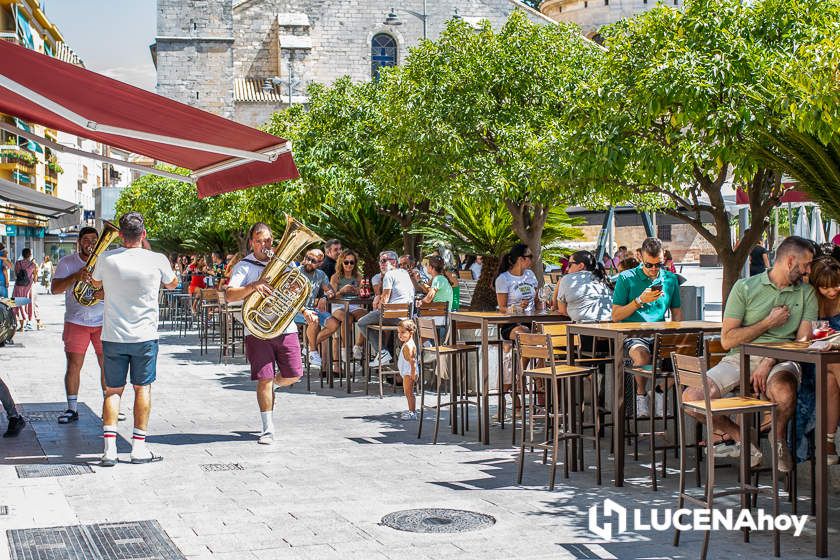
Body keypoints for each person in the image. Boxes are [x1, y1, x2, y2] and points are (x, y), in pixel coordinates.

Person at [682, 236, 817, 473]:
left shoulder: (807, 293)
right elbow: (727, 340)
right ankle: (742, 436)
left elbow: (802, 341)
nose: (808, 270)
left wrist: (769, 359)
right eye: (805, 264)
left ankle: (778, 440)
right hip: (739, 358)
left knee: (784, 392)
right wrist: (767, 323)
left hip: (782, 358)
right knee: (692, 398)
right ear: (790, 261)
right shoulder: (745, 287)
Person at [90, 212, 178, 466]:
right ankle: (138, 448)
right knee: (143, 388)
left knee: (112, 392)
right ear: (144, 235)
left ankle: (109, 450)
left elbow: (95, 283)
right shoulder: (157, 259)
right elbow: (172, 284)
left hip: (114, 336)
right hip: (145, 337)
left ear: (119, 235)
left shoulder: (106, 259)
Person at [225, 223, 303, 445]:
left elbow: (296, 290)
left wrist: (301, 302)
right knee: (264, 379)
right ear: (251, 242)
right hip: (258, 330)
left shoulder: (284, 264)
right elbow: (230, 295)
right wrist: (254, 286)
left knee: (294, 374)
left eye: (267, 241)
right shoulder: (244, 266)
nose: (264, 245)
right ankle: (267, 428)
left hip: (285, 326)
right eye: (259, 241)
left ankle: (275, 386)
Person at [612, 237, 683, 418]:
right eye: (649, 265)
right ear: (640, 257)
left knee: (690, 357)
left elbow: (677, 313)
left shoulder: (670, 279)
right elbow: (615, 316)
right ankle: (641, 395)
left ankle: (659, 390)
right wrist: (639, 301)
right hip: (633, 333)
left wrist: (679, 335)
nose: (653, 269)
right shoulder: (626, 278)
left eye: (658, 265)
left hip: (661, 332)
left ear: (663, 258)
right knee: (642, 356)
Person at [51, 226, 108, 425]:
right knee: (74, 366)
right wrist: (75, 277)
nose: (90, 243)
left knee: (106, 366)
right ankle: (72, 408)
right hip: (76, 321)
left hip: (102, 321)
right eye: (86, 239)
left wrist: (104, 293)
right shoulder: (68, 262)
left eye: (94, 239)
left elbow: (117, 289)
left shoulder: (105, 262)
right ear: (79, 242)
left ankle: (109, 408)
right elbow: (55, 289)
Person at [495, 243, 540, 403]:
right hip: (511, 324)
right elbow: (501, 308)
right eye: (530, 257)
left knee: (538, 337)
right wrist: (514, 308)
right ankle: (522, 379)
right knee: (528, 336)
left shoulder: (530, 276)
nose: (532, 260)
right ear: (521, 259)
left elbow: (536, 300)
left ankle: (519, 378)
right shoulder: (504, 279)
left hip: (532, 320)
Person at [354, 250, 415, 367]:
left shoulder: (389, 274)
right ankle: (383, 353)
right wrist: (379, 297)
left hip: (392, 316)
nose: (381, 264)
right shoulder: (404, 273)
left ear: (394, 262)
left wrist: (378, 304)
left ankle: (382, 352)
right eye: (381, 261)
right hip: (407, 317)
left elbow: (386, 298)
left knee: (362, 323)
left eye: (384, 261)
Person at [807, 256, 840, 464]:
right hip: (815, 363)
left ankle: (828, 443)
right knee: (832, 367)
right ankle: (827, 443)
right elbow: (805, 335)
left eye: (836, 285)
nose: (831, 291)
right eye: (825, 288)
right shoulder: (812, 300)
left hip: (831, 367)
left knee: (830, 377)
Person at [294, 248, 339, 369]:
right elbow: (291, 298)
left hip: (311, 308)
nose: (308, 262)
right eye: (308, 258)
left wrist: (324, 296)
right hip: (296, 309)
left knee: (334, 324)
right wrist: (305, 310)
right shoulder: (296, 272)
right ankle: (313, 351)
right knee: (314, 320)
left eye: (313, 260)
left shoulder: (321, 275)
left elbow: (330, 291)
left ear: (320, 263)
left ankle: (309, 347)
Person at [553, 250, 613, 323]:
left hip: (584, 328)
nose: (567, 269)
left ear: (581, 266)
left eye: (569, 265)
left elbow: (562, 311)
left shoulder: (568, 279)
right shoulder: (603, 278)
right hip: (609, 325)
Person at [329, 249, 366, 359]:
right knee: (347, 318)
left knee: (367, 316)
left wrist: (360, 291)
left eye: (352, 262)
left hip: (354, 305)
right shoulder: (335, 277)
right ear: (341, 262)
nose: (349, 265)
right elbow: (331, 296)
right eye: (346, 262)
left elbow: (363, 294)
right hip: (338, 305)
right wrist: (342, 291)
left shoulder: (359, 277)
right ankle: (345, 349)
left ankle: (358, 346)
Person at [396, 319, 419, 420]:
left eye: (403, 332)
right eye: (398, 332)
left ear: (411, 333)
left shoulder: (408, 346)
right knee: (408, 393)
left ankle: (412, 412)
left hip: (408, 373)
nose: (400, 335)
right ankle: (411, 410)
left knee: (408, 393)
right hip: (407, 372)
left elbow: (413, 361)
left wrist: (413, 374)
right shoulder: (408, 343)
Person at [13, 248, 37, 331]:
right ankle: (27, 321)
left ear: (22, 255)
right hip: (28, 288)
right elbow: (35, 279)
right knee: (28, 304)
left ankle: (19, 325)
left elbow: (16, 275)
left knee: (17, 303)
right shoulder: (33, 265)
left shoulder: (17, 263)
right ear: (30, 255)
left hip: (18, 287)